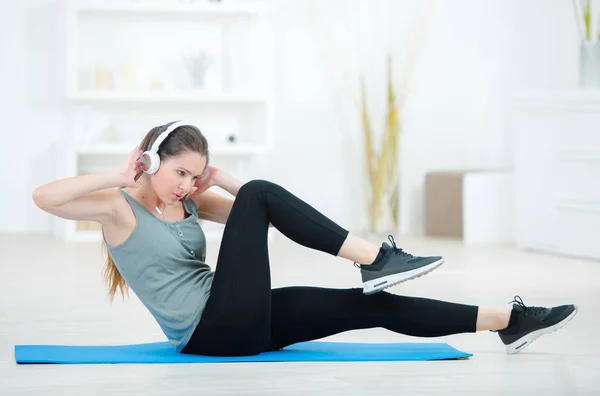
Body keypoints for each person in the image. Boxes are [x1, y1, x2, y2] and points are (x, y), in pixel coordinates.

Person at [32, 121, 578, 357]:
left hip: (242, 320)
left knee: (370, 309)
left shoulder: (193, 200)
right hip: (209, 329)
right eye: (179, 173)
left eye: (195, 174)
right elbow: (44, 198)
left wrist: (218, 181)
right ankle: (377, 258)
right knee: (264, 190)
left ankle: (508, 322)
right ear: (150, 162)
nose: (187, 185)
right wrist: (120, 175)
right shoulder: (118, 209)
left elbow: (262, 213)